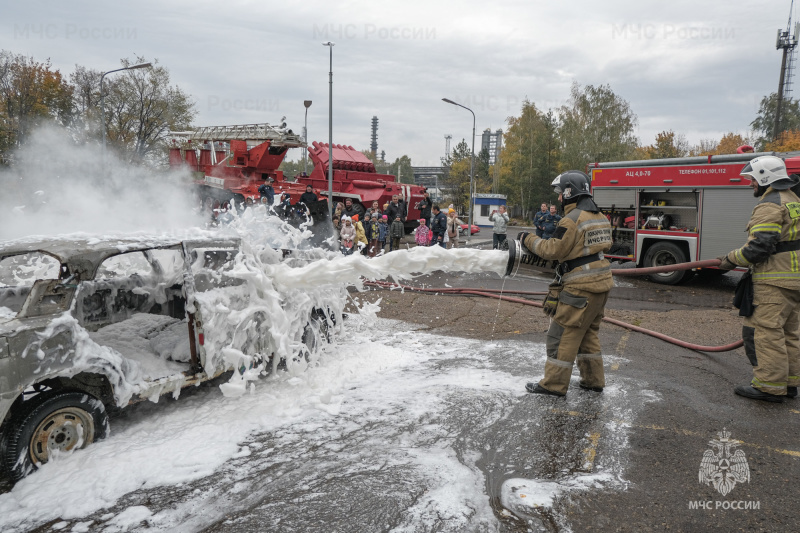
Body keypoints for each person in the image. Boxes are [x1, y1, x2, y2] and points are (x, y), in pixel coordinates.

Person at [517, 171, 613, 397]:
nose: (559, 199)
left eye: (561, 193)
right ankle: (593, 380)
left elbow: (553, 250)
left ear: (570, 192)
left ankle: (553, 385)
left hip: (580, 287)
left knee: (561, 336)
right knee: (588, 334)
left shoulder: (571, 219)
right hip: (601, 285)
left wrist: (527, 239)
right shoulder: (599, 216)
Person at [717, 155, 800, 403]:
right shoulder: (794, 200)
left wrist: (730, 259)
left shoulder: (770, 204)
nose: (751, 184)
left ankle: (769, 387)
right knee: (789, 333)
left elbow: (759, 248)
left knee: (766, 333)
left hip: (774, 282)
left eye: (753, 179)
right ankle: (789, 384)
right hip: (793, 279)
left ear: (766, 177)